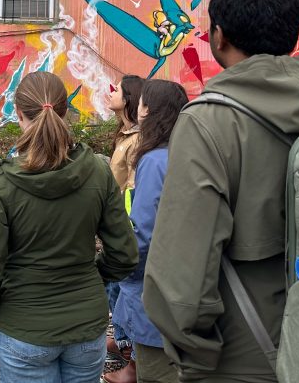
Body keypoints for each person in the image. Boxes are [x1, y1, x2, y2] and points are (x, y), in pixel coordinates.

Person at [143, 0, 299, 382]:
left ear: (218, 36)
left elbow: (180, 288)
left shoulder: (209, 123)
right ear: (293, 29)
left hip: (247, 353)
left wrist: (200, 360)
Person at [0, 71, 139, 383]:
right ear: (65, 112)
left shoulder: (2, 184)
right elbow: (125, 253)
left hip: (25, 326)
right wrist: (91, 276)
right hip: (86, 324)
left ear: (18, 115)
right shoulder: (98, 171)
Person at [107, 79, 189, 383]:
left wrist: (121, 268)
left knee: (155, 372)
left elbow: (144, 234)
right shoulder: (186, 150)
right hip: (185, 287)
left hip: (154, 294)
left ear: (148, 110)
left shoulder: (153, 161)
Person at [106, 74, 144, 364]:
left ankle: (130, 352)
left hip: (125, 221)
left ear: (128, 99)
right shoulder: (124, 133)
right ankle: (122, 339)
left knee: (122, 283)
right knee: (114, 284)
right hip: (115, 218)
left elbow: (131, 186)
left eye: (116, 89)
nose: (111, 91)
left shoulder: (138, 139)